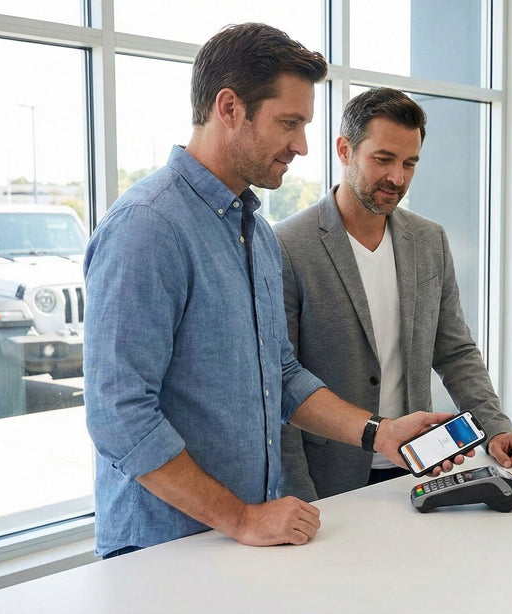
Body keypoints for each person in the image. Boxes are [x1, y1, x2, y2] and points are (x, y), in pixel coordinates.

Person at [83, 24, 469, 559]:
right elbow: (119, 417)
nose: (301, 146)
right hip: (164, 550)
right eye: (289, 123)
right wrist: (239, 517)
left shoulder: (255, 233)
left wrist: (379, 433)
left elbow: (281, 376)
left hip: (250, 535)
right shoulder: (148, 227)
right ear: (229, 107)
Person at [277, 87, 512, 502]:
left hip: (416, 469)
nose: (397, 178)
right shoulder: (288, 245)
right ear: (345, 150)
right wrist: (294, 491)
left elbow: (454, 351)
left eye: (409, 163)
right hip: (327, 479)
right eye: (383, 159)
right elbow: (280, 380)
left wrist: (496, 426)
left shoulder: (429, 239)